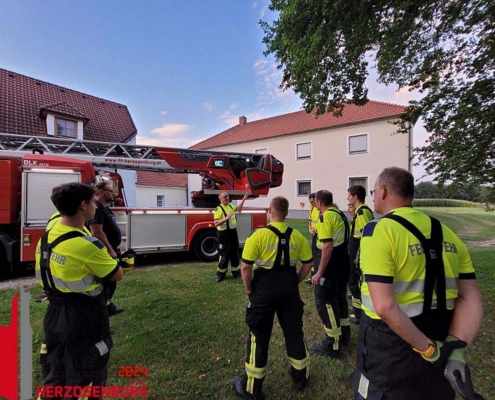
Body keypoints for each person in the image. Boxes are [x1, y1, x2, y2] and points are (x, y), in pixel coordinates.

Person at [352, 167, 484, 400]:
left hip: (390, 348)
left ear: (383, 191)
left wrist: (429, 349)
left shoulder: (378, 230)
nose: (373, 197)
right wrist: (456, 350)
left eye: (373, 191)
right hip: (442, 338)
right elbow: (470, 297)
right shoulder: (447, 233)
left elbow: (384, 306)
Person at [35, 183, 128, 400]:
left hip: (55, 313)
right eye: (93, 202)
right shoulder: (86, 246)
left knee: (56, 375)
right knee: (86, 375)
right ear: (83, 205)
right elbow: (116, 274)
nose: (95, 206)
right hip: (83, 318)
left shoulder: (49, 235)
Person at [233, 196, 313, 400]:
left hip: (263, 289)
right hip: (289, 288)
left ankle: (252, 388)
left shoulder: (258, 235)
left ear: (270, 211)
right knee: (294, 332)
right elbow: (308, 263)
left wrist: (249, 288)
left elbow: (245, 266)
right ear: (286, 213)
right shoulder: (298, 236)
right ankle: (300, 377)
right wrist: (295, 281)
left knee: (259, 335)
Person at [311, 190, 350, 358]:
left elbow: (327, 247)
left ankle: (332, 344)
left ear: (320, 202)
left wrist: (319, 272)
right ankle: (344, 336)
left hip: (330, 267)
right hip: (343, 263)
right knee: (340, 299)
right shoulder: (340, 214)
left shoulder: (326, 217)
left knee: (326, 302)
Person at [87, 181, 124, 316]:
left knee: (110, 284)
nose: (114, 194)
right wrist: (110, 250)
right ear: (101, 192)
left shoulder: (104, 208)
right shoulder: (96, 208)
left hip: (111, 248)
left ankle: (107, 307)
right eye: (111, 191)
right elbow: (97, 232)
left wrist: (116, 245)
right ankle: (101, 312)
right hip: (104, 251)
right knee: (108, 281)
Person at [346, 185, 374, 325]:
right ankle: (357, 309)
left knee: (354, 282)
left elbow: (364, 236)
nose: (347, 198)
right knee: (353, 281)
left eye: (349, 195)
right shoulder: (359, 212)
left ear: (355, 196)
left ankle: (359, 314)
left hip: (358, 253)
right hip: (355, 251)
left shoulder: (362, 213)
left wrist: (358, 256)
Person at [214, 191, 249, 282]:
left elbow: (239, 209)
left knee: (235, 254)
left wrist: (244, 199)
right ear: (220, 199)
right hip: (223, 235)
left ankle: (236, 273)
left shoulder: (231, 206)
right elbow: (216, 223)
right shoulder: (218, 209)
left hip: (233, 233)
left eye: (227, 196)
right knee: (224, 255)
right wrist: (227, 217)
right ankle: (220, 275)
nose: (227, 198)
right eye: (225, 196)